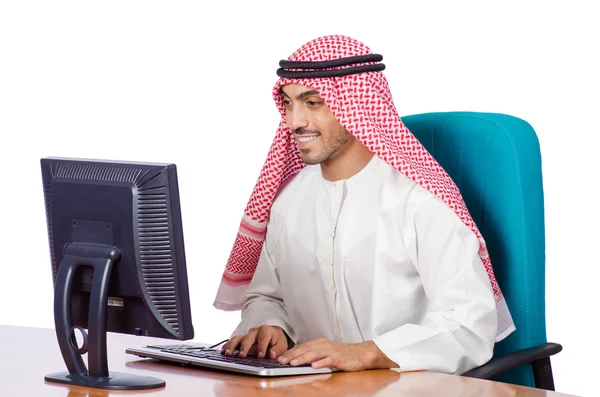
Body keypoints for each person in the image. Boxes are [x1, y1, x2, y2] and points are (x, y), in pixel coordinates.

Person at [212, 35, 515, 375]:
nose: (294, 121)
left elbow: (469, 325)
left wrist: (369, 353)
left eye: (313, 103)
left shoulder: (419, 201)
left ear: (356, 106)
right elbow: (266, 296)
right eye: (288, 103)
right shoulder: (289, 200)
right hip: (315, 386)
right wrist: (272, 325)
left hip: (409, 386)